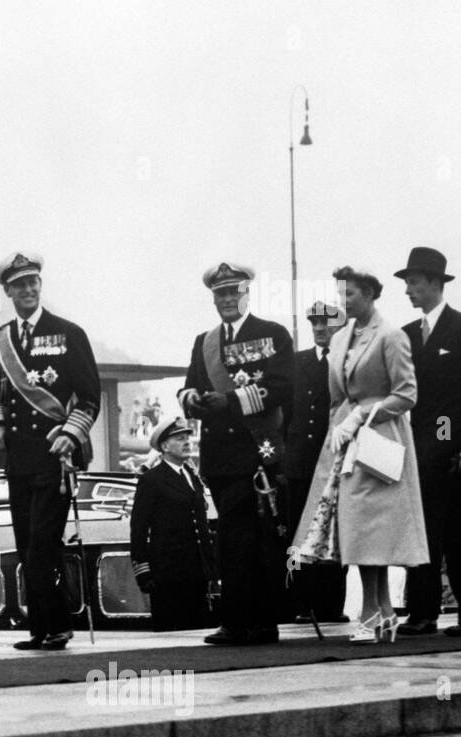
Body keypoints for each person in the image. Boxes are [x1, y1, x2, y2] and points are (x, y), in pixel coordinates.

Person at [294, 267, 430, 642]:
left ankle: (373, 613)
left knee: (372, 529)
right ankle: (381, 612)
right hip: (344, 442)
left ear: (369, 294)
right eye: (341, 294)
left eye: (350, 294)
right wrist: (337, 429)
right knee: (357, 528)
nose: (343, 301)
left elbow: (406, 395)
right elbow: (337, 397)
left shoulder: (391, 336)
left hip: (380, 438)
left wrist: (362, 414)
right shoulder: (340, 340)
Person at [0, 251, 101, 650]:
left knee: (42, 545)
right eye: (19, 285)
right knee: (25, 544)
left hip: (56, 457)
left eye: (33, 282)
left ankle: (58, 623)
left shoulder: (69, 333)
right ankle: (42, 628)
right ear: (8, 291)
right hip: (18, 460)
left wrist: (72, 433)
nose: (28, 289)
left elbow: (89, 397)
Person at [178, 262, 294, 646]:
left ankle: (260, 622)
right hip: (219, 456)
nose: (227, 299)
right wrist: (191, 398)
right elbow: (187, 388)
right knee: (230, 540)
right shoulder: (204, 341)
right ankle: (237, 621)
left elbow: (280, 387)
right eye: (220, 294)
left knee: (259, 540)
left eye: (233, 292)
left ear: (246, 294)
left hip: (256, 449)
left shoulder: (272, 334)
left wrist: (229, 400)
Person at [395, 248, 461, 637]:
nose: (408, 291)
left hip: (453, 451)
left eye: (415, 283)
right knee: (423, 533)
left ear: (436, 283)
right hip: (419, 450)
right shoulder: (405, 335)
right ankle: (422, 612)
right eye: (406, 284)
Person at [283, 301, 349, 623]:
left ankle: (331, 605)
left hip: (334, 462)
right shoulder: (296, 362)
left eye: (327, 325)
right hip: (299, 466)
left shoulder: (348, 363)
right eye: (316, 325)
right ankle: (300, 603)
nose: (320, 330)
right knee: (299, 536)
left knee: (334, 535)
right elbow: (284, 415)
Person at [131, 417, 216, 630]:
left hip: (196, 570)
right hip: (167, 573)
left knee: (199, 632)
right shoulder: (152, 480)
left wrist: (211, 566)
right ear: (164, 446)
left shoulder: (192, 476)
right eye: (179, 439)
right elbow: (139, 528)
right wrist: (143, 570)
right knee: (171, 632)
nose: (187, 442)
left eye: (188, 438)